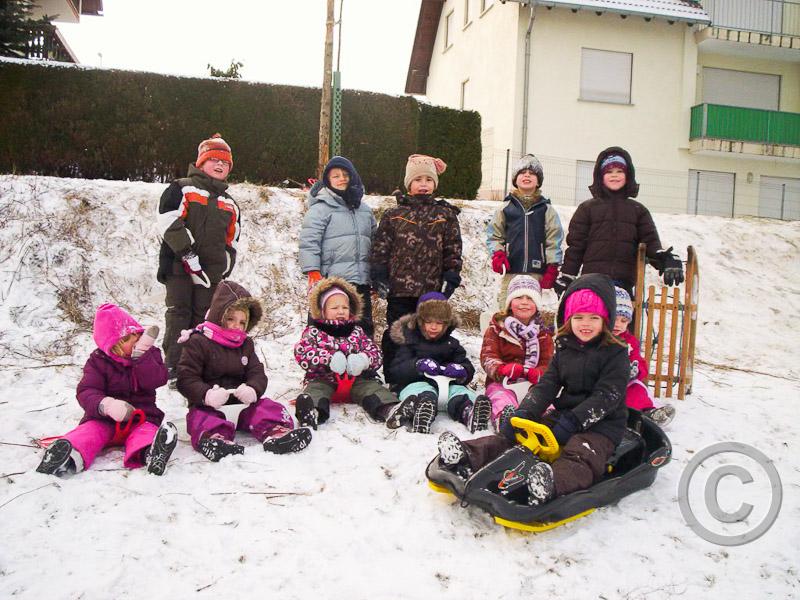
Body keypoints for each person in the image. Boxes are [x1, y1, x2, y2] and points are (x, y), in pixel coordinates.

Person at [436, 273, 629, 507]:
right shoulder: (565, 349)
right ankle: (467, 454)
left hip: (602, 426)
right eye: (578, 317)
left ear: (606, 320)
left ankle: (551, 484)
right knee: (517, 438)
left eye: (593, 318)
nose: (585, 324)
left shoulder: (616, 354)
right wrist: (524, 413)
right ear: (568, 319)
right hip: (563, 417)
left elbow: (607, 397)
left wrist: (573, 422)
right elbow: (546, 386)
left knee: (582, 454)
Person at [36, 304, 177, 476]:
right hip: (105, 418)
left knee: (146, 433)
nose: (135, 341)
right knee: (89, 433)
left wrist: (142, 357)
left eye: (137, 336)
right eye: (128, 340)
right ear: (114, 347)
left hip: (142, 416)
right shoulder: (98, 361)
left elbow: (157, 380)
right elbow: (86, 391)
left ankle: (151, 454)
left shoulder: (150, 354)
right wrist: (106, 405)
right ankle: (67, 458)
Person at [177, 281, 311, 461]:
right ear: (218, 316)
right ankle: (215, 439)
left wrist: (253, 389)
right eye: (231, 319)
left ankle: (276, 432)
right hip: (210, 404)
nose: (236, 326)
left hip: (242, 403)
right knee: (201, 418)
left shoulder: (245, 344)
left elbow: (257, 372)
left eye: (242, 322)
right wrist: (205, 394)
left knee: (266, 407)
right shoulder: (198, 342)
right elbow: (186, 378)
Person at [157, 134, 242, 380]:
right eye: (214, 159)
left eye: (225, 162)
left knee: (203, 316)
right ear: (201, 162)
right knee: (179, 312)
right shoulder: (182, 187)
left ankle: (193, 366)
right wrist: (187, 253)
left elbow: (232, 240)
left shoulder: (230, 203)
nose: (219, 165)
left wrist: (224, 267)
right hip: (178, 266)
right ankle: (174, 366)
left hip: (210, 273)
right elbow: (168, 220)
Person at [370, 154, 463, 366]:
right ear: (408, 183)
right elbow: (381, 248)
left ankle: (427, 370)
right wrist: (379, 275)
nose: (423, 184)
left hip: (432, 289)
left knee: (429, 333)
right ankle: (395, 373)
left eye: (428, 180)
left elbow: (453, 249)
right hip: (399, 289)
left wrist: (451, 275)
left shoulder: (445, 214)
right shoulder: (394, 215)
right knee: (398, 332)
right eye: (418, 179)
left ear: (435, 184)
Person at [554, 147, 684, 298]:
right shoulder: (587, 209)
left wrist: (665, 259)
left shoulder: (638, 210)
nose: (614, 175)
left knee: (622, 313)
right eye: (609, 171)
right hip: (592, 281)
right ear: (600, 176)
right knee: (594, 313)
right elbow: (576, 247)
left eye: (619, 171)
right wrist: (568, 275)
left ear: (628, 175)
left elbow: (650, 243)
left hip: (623, 283)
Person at [293, 277, 398, 429]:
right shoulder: (314, 332)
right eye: (334, 308)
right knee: (315, 390)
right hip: (324, 378)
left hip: (356, 379)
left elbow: (374, 351)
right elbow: (303, 352)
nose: (341, 311)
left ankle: (389, 409)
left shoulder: (357, 331)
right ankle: (311, 412)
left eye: (345, 307)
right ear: (322, 311)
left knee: (372, 388)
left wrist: (364, 360)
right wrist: (328, 359)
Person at [384, 292, 491, 435]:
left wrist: (462, 371)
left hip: (447, 385)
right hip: (417, 383)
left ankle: (468, 413)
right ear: (420, 321)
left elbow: (466, 365)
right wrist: (417, 365)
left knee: (460, 393)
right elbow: (396, 369)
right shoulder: (409, 340)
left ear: (446, 324)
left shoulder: (452, 344)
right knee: (423, 393)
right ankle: (422, 412)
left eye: (439, 323)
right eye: (429, 322)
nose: (434, 327)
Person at [298, 156, 377, 336]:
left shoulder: (365, 210)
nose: (341, 179)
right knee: (327, 329)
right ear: (327, 180)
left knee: (362, 330)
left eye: (345, 175)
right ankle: (320, 352)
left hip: (361, 281)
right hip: (332, 282)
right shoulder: (320, 209)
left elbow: (374, 244)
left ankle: (362, 353)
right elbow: (309, 242)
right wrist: (313, 270)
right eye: (336, 176)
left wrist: (374, 275)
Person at [486, 154, 564, 307]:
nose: (527, 175)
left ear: (538, 181)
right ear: (515, 179)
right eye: (522, 172)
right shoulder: (505, 208)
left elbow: (554, 239)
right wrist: (498, 254)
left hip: (536, 272)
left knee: (529, 308)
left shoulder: (547, 210)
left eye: (532, 173)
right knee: (507, 307)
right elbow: (494, 235)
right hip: (511, 270)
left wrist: (552, 265)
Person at [480, 275, 554, 432]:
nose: (524, 302)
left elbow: (549, 363)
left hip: (532, 384)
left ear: (537, 304)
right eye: (519, 297)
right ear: (509, 303)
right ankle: (504, 420)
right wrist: (501, 369)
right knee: (501, 398)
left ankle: (547, 423)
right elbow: (488, 356)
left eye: (530, 298)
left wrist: (540, 373)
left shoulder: (543, 335)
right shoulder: (496, 329)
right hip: (502, 383)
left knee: (543, 401)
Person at [612, 287, 675, 426]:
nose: (618, 324)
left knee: (638, 390)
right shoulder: (599, 338)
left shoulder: (629, 342)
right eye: (614, 319)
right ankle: (625, 418)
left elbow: (639, 361)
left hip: (625, 383)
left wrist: (636, 370)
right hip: (603, 383)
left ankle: (648, 414)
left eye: (623, 321)